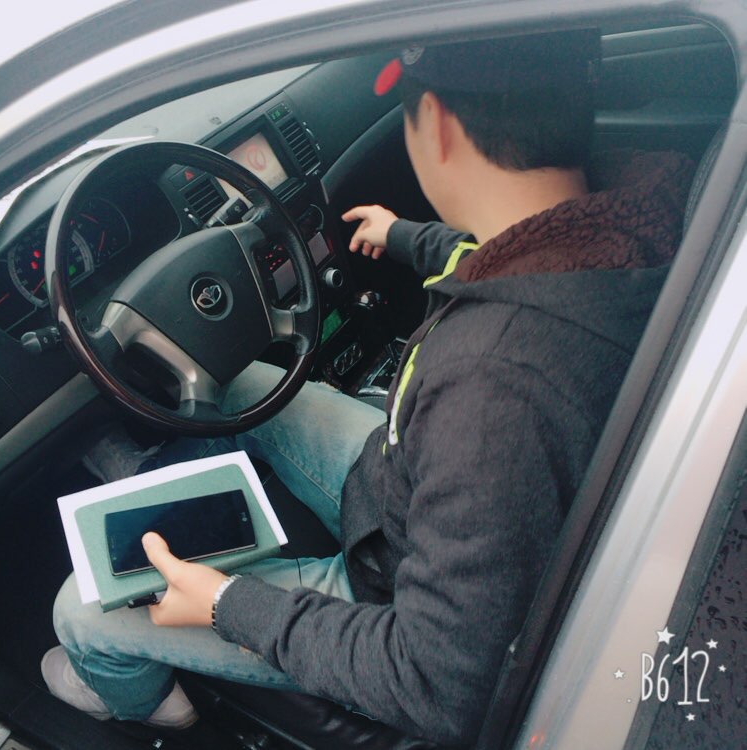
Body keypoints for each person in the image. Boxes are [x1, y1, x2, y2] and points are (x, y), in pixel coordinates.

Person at [42, 32, 694, 744]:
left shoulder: (494, 387)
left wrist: (229, 605)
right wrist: (408, 236)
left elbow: (436, 682)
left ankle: (141, 698)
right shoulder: (628, 219)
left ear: (435, 124)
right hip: (403, 483)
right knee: (243, 385)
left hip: (386, 594)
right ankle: (154, 488)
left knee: (79, 611)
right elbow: (490, 256)